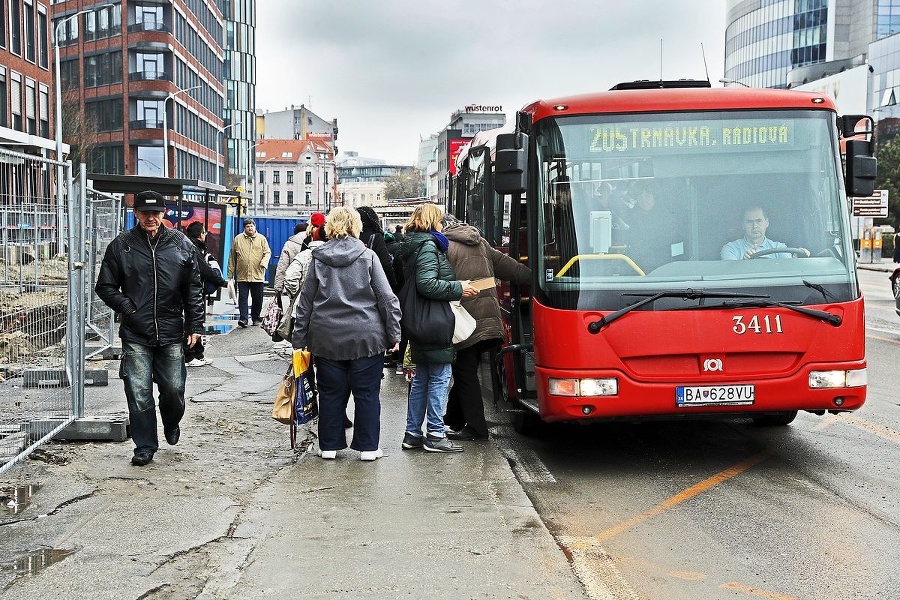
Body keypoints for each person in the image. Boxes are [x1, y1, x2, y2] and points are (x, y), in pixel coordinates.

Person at [95, 190, 204, 467]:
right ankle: (144, 445)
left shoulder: (180, 244)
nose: (150, 218)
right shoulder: (122, 245)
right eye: (145, 213)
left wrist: (195, 325)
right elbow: (105, 286)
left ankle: (171, 421)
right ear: (136, 213)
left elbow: (193, 288)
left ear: (164, 213)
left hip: (171, 330)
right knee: (138, 390)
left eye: (155, 213)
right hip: (136, 332)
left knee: (174, 388)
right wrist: (128, 308)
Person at [292, 206, 401, 461]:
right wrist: (394, 334)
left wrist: (299, 340)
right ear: (355, 225)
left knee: (330, 392)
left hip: (326, 338)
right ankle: (368, 448)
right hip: (367, 337)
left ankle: (329, 446)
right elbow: (387, 299)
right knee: (367, 393)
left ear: (330, 226)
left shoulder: (318, 258)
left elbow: (305, 302)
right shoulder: (368, 256)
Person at [442, 215, 530, 441]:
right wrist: (538, 277)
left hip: (464, 322)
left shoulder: (444, 246)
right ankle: (453, 418)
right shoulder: (481, 243)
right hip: (490, 320)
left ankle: (477, 429)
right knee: (466, 372)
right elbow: (514, 270)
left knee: (465, 374)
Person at [398, 204, 478, 453]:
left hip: (420, 319)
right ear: (434, 222)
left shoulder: (413, 245)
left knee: (422, 378)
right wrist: (458, 288)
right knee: (440, 378)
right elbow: (426, 284)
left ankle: (413, 434)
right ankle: (434, 433)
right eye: (440, 220)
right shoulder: (429, 247)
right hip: (434, 319)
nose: (443, 224)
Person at [183, 221, 226, 367]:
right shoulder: (193, 248)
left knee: (196, 320)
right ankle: (189, 356)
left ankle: (198, 354)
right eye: (204, 232)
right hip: (191, 290)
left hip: (194, 289)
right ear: (201, 234)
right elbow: (204, 270)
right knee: (192, 321)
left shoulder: (194, 246)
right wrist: (221, 281)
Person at [227, 218, 271, 327]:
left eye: (251, 226)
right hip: (242, 275)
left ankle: (256, 317)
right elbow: (232, 257)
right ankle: (243, 318)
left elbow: (267, 253)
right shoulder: (238, 239)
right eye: (247, 226)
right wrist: (230, 274)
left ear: (255, 227)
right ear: (244, 228)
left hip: (257, 274)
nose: (250, 228)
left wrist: (264, 263)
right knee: (243, 298)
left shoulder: (261, 239)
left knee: (257, 298)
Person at [721, 206, 790, 260]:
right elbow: (731, 274)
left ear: (767, 223)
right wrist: (743, 263)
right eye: (750, 222)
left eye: (758, 221)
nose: (755, 226)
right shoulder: (731, 249)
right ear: (743, 225)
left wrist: (795, 261)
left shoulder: (780, 249)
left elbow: (788, 270)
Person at [357, 206, 398, 291]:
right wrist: (393, 286)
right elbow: (386, 264)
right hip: (371, 287)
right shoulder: (376, 237)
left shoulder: (351, 236)